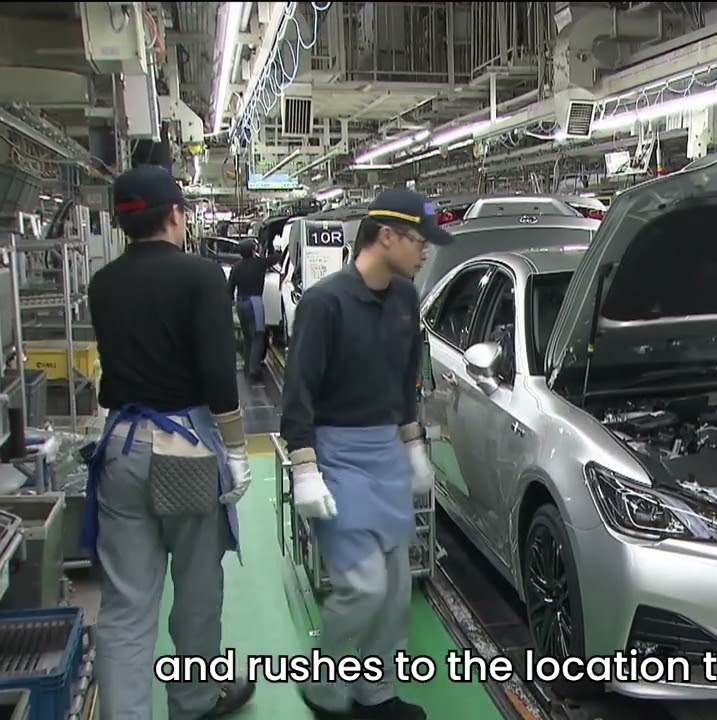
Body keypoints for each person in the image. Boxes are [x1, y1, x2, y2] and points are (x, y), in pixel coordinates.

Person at [84, 165, 256, 719]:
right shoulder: (200, 276)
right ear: (176, 215)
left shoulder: (102, 283)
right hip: (184, 451)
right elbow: (217, 372)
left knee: (126, 608)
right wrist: (235, 449)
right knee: (197, 590)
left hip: (121, 447)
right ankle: (195, 699)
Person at [280, 188, 451, 720]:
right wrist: (305, 469)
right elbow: (298, 394)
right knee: (363, 586)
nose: (425, 251)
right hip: (337, 455)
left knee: (395, 590)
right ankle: (324, 686)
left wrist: (413, 445)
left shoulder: (404, 299)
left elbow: (403, 383)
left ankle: (375, 695)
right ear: (387, 236)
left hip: (385, 454)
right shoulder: (324, 303)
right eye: (418, 240)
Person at [227, 238, 276, 382]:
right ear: (253, 251)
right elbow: (275, 258)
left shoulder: (236, 267)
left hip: (240, 302)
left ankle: (247, 366)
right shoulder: (259, 264)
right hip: (254, 303)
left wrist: (231, 304)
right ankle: (254, 370)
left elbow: (229, 288)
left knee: (247, 336)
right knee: (258, 335)